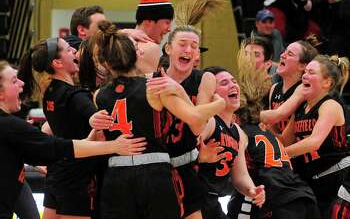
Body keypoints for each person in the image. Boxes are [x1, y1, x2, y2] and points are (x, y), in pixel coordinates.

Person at [91, 20, 225, 219]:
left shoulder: (99, 95)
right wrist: (219, 104)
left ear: (107, 63)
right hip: (153, 174)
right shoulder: (154, 87)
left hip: (116, 175)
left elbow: (96, 137)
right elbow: (195, 121)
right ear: (137, 55)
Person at [0, 60, 147, 219]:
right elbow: (58, 146)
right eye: (14, 81)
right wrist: (113, 146)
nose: (22, 83)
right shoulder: (10, 125)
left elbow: (44, 146)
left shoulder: (51, 95)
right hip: (74, 181)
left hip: (61, 177)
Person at [226, 49, 320, 219]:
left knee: (239, 206)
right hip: (303, 193)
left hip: (281, 198)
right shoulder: (265, 128)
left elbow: (278, 114)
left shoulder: (239, 131)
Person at [281, 55, 350, 218]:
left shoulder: (330, 105)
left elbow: (314, 142)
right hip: (314, 179)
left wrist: (279, 155)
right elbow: (284, 140)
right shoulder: (301, 108)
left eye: (311, 72)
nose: (305, 75)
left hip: (338, 175)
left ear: (327, 82)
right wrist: (264, 130)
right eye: (305, 71)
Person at [199, 66, 266, 219]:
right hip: (194, 198)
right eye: (224, 83)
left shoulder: (238, 132)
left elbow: (240, 175)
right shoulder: (209, 121)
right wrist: (199, 156)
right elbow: (178, 154)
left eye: (233, 81)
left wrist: (251, 190)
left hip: (212, 199)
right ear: (212, 94)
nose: (233, 85)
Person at [268, 39, 318, 135]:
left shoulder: (305, 90)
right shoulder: (274, 88)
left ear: (302, 66)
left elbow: (276, 115)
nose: (282, 55)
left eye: (290, 54)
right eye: (284, 51)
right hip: (283, 145)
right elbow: (272, 126)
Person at [134, 0, 173, 74]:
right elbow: (150, 87)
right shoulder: (150, 48)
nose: (169, 29)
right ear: (149, 20)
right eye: (167, 22)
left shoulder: (121, 41)